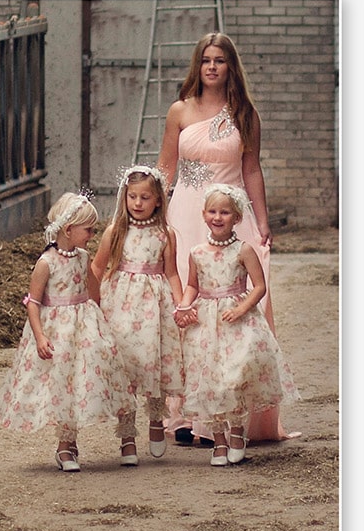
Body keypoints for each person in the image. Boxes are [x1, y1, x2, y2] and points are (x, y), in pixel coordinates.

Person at [154, 31, 298, 444]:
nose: (212, 67)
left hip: (232, 215)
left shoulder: (244, 114)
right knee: (189, 309)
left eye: (220, 60)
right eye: (206, 60)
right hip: (187, 211)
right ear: (197, 66)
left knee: (235, 313)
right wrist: (154, 219)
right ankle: (185, 417)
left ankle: (228, 416)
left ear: (231, 67)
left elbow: (252, 169)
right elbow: (167, 167)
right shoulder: (180, 111)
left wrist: (263, 220)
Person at [0, 191, 134, 472]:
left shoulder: (82, 257)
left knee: (85, 379)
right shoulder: (46, 263)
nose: (92, 234)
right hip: (57, 330)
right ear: (69, 229)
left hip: (84, 326)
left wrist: (101, 317)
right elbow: (32, 303)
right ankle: (65, 447)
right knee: (62, 384)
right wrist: (40, 337)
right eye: (88, 230)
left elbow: (92, 290)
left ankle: (89, 441)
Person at [172, 184, 300, 466]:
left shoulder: (243, 250)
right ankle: (219, 441)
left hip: (237, 322)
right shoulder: (197, 252)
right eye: (213, 211)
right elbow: (193, 285)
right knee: (211, 381)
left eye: (225, 213)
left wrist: (242, 307)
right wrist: (184, 304)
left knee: (234, 377)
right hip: (206, 324)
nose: (218, 217)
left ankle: (238, 434)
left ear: (237, 218)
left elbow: (259, 286)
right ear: (204, 214)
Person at [90, 165, 185, 461]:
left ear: (158, 200)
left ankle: (156, 421)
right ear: (125, 197)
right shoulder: (115, 231)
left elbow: (171, 273)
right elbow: (96, 267)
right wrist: (91, 302)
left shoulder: (166, 234)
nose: (138, 203)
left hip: (155, 307)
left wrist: (181, 304)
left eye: (145, 197)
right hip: (121, 306)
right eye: (133, 196)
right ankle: (127, 435)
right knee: (126, 366)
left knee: (154, 362)